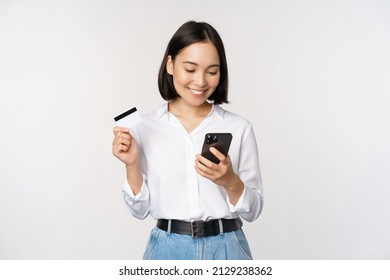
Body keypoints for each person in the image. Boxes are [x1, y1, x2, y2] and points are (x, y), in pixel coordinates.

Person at [112, 21, 263, 260]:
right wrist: (131, 164)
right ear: (170, 64)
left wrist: (230, 180)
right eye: (190, 69)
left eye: (212, 71)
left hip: (228, 249)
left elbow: (253, 211)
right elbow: (139, 211)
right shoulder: (145, 128)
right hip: (167, 250)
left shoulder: (239, 127)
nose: (201, 81)